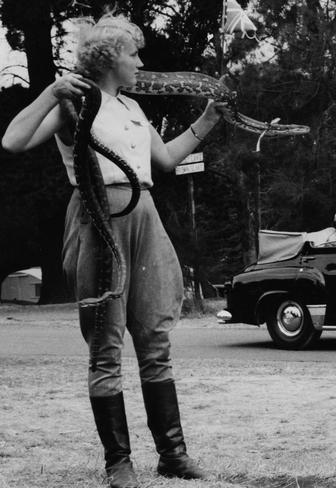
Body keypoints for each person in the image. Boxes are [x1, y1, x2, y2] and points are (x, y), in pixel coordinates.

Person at [2, 13, 226, 488]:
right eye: (133, 54)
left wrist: (206, 122)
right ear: (109, 59)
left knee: (155, 341)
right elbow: (13, 140)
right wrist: (50, 92)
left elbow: (163, 160)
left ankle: (173, 455)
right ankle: (118, 463)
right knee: (106, 346)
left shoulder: (131, 109)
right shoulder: (76, 105)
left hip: (145, 215)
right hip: (98, 216)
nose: (140, 62)